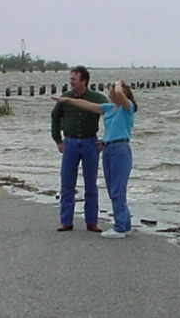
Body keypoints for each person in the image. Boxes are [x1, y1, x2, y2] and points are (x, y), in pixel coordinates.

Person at [51, 80, 137, 239]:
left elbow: (119, 94)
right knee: (113, 190)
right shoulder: (109, 108)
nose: (110, 94)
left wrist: (118, 83)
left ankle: (119, 228)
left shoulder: (128, 107)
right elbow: (86, 105)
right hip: (108, 149)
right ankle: (125, 225)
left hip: (121, 150)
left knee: (118, 190)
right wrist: (67, 100)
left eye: (111, 91)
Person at [51, 66, 108, 233]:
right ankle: (66, 221)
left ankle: (92, 222)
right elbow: (55, 118)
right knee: (67, 183)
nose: (71, 82)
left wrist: (105, 140)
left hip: (90, 143)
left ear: (84, 81)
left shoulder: (97, 98)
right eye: (70, 79)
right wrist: (58, 140)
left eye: (74, 79)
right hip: (70, 143)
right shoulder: (65, 98)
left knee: (91, 184)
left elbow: (112, 117)